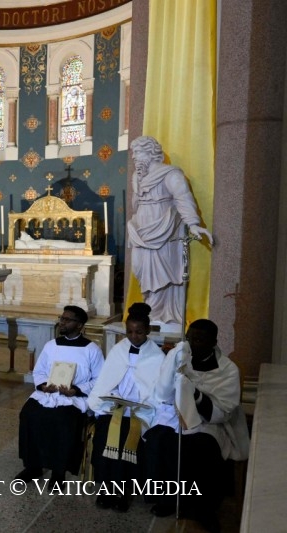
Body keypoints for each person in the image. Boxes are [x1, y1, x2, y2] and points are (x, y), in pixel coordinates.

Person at [142, 319, 249, 531]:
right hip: (175, 416)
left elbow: (222, 412)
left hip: (207, 422)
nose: (192, 344)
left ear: (214, 342)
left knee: (201, 447)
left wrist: (196, 394)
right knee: (158, 439)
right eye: (189, 338)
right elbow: (162, 394)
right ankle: (166, 499)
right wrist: (173, 368)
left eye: (199, 339)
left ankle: (202, 508)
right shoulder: (179, 357)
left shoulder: (227, 369)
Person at [127, 136, 213, 327]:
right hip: (141, 231)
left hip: (164, 231)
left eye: (138, 152)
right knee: (139, 269)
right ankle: (151, 311)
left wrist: (193, 223)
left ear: (151, 153)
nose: (134, 157)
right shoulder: (136, 176)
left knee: (163, 274)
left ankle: (163, 315)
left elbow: (183, 198)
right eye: (133, 153)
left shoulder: (170, 174)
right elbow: (136, 204)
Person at [87, 302, 165, 512]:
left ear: (148, 331)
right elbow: (106, 380)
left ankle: (125, 491)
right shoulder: (118, 349)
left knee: (128, 438)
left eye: (139, 332)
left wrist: (140, 403)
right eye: (129, 331)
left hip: (140, 410)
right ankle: (106, 488)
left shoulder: (157, 357)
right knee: (105, 434)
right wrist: (112, 398)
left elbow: (157, 391)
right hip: (113, 406)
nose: (134, 336)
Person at [16, 305, 104, 487]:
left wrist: (77, 389)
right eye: (61, 318)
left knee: (63, 420)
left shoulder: (91, 349)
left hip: (74, 398)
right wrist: (43, 385)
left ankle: (59, 471)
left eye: (67, 320)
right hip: (48, 394)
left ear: (79, 325)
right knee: (29, 414)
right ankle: (33, 466)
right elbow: (39, 370)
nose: (61, 322)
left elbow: (100, 379)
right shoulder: (51, 345)